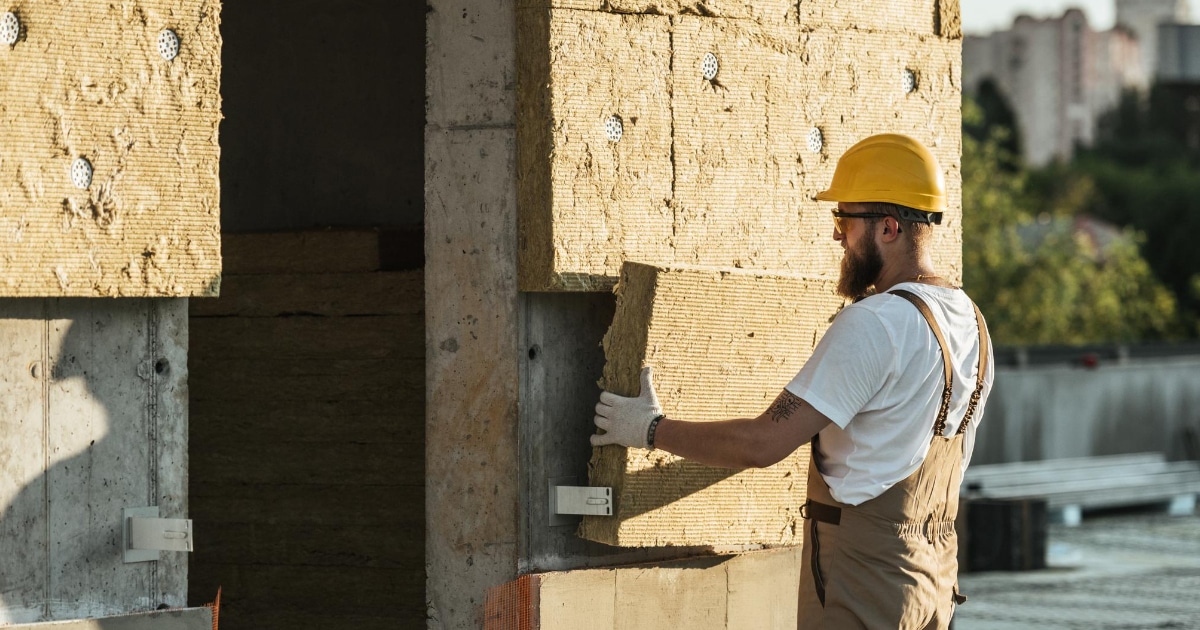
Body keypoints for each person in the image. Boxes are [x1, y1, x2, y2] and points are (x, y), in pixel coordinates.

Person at [591, 133, 993, 630]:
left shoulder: (877, 324)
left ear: (888, 227)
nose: (836, 236)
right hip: (931, 586)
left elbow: (763, 443)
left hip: (866, 584)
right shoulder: (971, 322)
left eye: (845, 220)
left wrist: (651, 429)